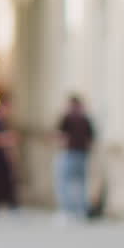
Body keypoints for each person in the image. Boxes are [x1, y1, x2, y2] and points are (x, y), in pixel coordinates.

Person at [54, 93, 95, 222]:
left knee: (64, 183)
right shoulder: (86, 118)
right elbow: (91, 139)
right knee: (81, 183)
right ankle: (81, 210)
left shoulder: (67, 117)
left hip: (69, 153)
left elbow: (60, 135)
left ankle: (67, 211)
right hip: (82, 154)